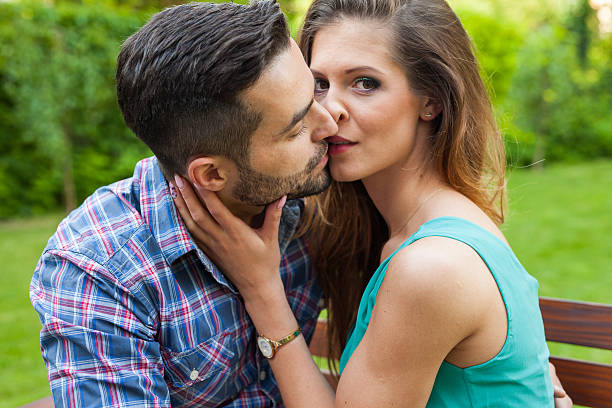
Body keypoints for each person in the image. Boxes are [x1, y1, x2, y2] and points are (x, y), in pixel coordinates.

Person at [171, 0, 572, 406]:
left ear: (431, 100)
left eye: (365, 83)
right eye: (319, 85)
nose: (330, 111)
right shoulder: (413, 224)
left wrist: (262, 289)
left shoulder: (430, 267)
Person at [29, 1, 339, 406]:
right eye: (298, 128)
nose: (330, 123)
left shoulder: (315, 197)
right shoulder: (100, 272)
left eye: (314, 89)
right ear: (211, 176)